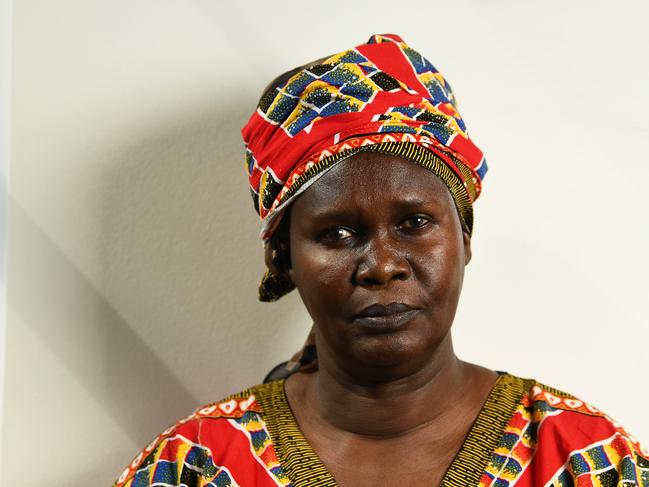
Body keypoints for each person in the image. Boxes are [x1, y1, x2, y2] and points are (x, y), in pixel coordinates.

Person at [113, 34, 648, 487]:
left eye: (415, 223)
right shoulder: (197, 466)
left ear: (464, 235)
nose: (382, 266)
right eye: (337, 233)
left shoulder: (582, 459)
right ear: (284, 258)